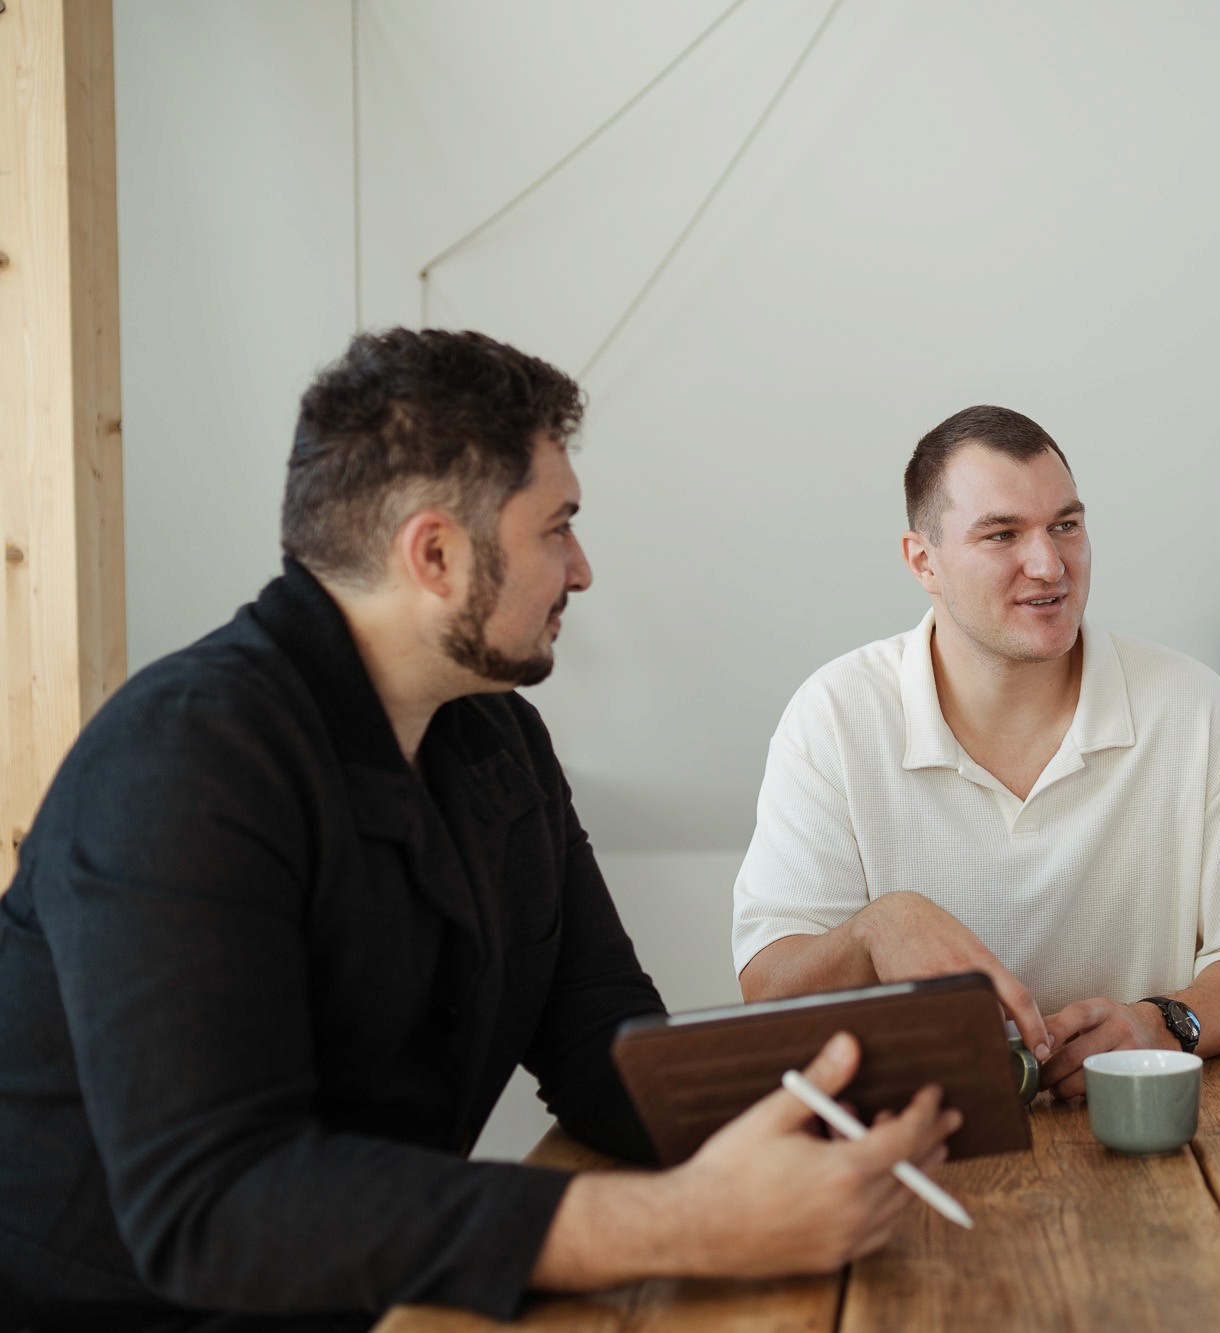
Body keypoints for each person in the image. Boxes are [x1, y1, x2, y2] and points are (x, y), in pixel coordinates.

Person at [0, 330, 957, 1333]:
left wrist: (854, 1113)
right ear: (437, 552)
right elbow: (216, 1206)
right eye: (557, 528)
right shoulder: (179, 759)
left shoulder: (497, 735)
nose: (581, 570)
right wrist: (685, 1220)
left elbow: (607, 1045)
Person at [732, 405, 1220, 1099]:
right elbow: (768, 988)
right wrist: (875, 929)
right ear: (924, 561)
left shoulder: (1192, 705)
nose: (1049, 564)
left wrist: (1164, 1023)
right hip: (919, 1142)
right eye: (1002, 533)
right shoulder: (833, 715)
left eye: (1066, 525)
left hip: (1143, 1129)